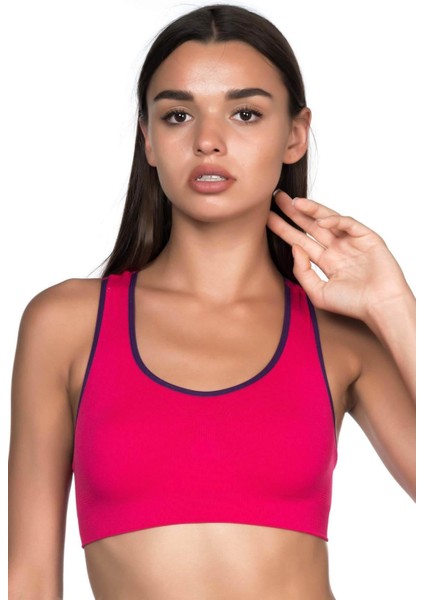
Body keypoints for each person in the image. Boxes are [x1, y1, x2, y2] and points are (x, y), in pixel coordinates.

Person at [8, 4, 415, 599]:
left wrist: (396, 309)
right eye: (178, 115)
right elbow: (30, 579)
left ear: (295, 135)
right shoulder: (66, 324)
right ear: (148, 139)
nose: (207, 142)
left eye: (245, 113)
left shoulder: (342, 334)